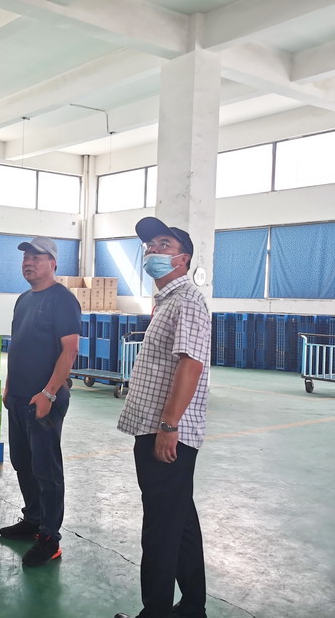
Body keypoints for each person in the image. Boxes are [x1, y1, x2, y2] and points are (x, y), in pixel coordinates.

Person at [114, 218, 211, 618]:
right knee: (179, 519)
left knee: (160, 527)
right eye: (150, 245)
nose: (153, 250)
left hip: (167, 432)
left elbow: (191, 364)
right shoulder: (168, 301)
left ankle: (154, 611)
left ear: (183, 259)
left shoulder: (186, 299)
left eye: (164, 244)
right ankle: (192, 606)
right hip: (157, 428)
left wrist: (169, 426)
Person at [0, 236, 81, 567]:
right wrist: (9, 385)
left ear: (53, 263)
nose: (28, 263)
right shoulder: (23, 300)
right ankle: (33, 519)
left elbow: (69, 350)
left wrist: (48, 393)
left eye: (36, 257)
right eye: (25, 258)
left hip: (44, 399)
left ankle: (50, 537)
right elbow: (17, 345)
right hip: (19, 397)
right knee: (23, 462)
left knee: (46, 469)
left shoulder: (63, 300)